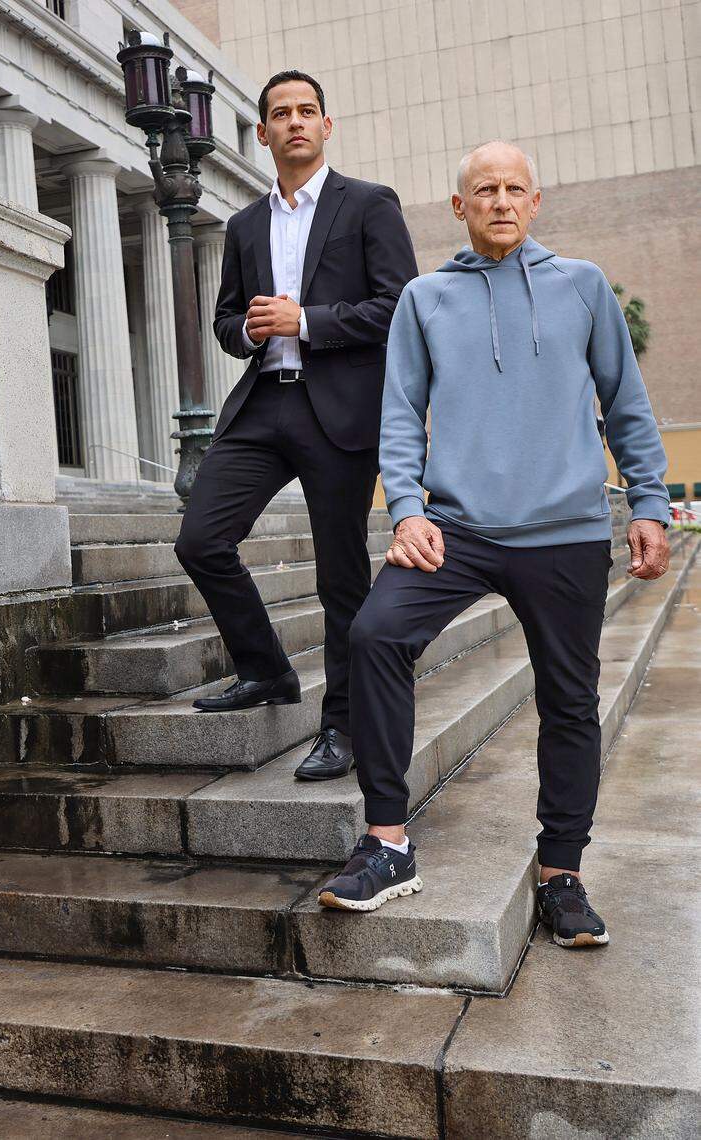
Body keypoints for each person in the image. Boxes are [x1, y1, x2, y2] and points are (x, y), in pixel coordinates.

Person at [317, 141, 671, 949]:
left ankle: (563, 873)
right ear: (459, 206)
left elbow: (626, 403)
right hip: (460, 528)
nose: (501, 201)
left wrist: (649, 502)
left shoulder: (581, 286)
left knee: (571, 700)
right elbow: (400, 415)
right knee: (375, 633)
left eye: (515, 189)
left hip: (568, 530)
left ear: (536, 201)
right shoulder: (425, 298)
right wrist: (406, 509)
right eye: (485, 189)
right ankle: (387, 844)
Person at [173, 69, 417, 784]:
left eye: (307, 111)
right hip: (264, 404)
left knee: (342, 579)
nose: (295, 122)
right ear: (265, 133)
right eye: (281, 113)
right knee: (201, 538)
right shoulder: (246, 225)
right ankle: (268, 671)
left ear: (326, 125)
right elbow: (223, 320)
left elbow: (399, 304)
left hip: (339, 408)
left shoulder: (368, 204)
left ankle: (341, 725)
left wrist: (305, 322)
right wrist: (247, 331)